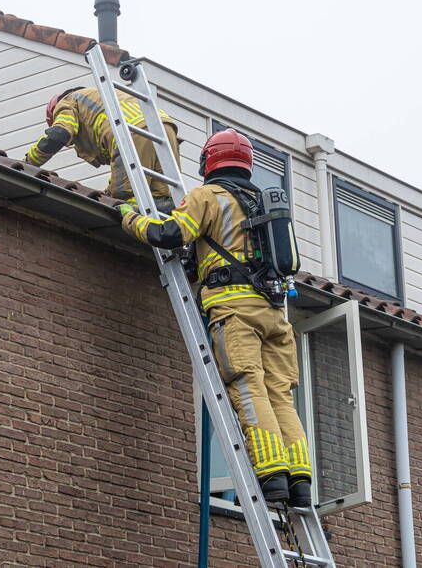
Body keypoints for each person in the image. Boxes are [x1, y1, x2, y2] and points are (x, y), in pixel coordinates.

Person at [119, 128, 311, 507]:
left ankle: (272, 477)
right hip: (274, 314)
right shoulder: (263, 203)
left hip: (235, 311)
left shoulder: (208, 196)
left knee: (247, 387)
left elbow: (172, 233)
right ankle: (300, 483)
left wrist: (130, 217)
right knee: (280, 398)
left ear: (209, 161)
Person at [25, 86, 181, 213]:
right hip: (164, 128)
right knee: (160, 196)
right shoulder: (101, 97)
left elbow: (60, 133)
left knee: (126, 197)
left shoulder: (67, 102)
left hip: (130, 132)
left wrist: (28, 163)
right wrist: (109, 190)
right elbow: (119, 168)